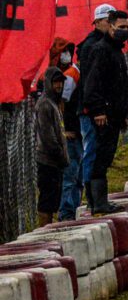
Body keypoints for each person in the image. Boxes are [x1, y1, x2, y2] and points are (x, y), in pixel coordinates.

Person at [77, 10, 128, 215]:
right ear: (110, 26)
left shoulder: (117, 50)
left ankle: (100, 201)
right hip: (103, 115)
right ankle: (97, 203)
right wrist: (98, 110)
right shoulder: (100, 50)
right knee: (99, 158)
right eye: (121, 27)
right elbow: (92, 85)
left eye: (127, 27)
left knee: (106, 157)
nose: (125, 31)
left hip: (114, 115)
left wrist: (122, 114)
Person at [52, 39, 83, 221]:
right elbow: (62, 103)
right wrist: (64, 130)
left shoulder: (81, 73)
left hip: (79, 131)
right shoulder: (72, 75)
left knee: (78, 176)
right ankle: (66, 213)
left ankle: (74, 208)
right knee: (70, 176)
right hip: (71, 132)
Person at [34, 68, 70, 227]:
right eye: (56, 82)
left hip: (54, 161)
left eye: (61, 82)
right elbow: (48, 137)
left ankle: (48, 227)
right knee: (46, 200)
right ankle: (44, 230)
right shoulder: (44, 104)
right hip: (47, 160)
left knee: (53, 199)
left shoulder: (54, 103)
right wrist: (59, 154)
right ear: (48, 83)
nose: (59, 85)